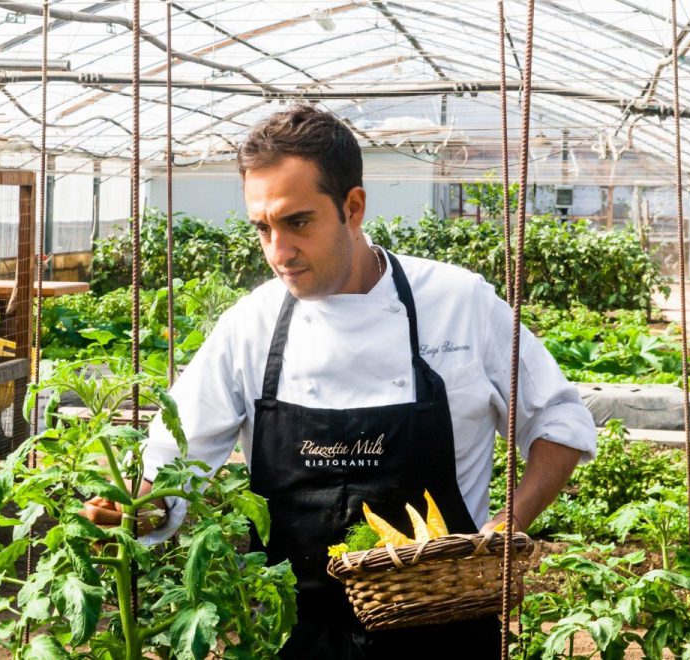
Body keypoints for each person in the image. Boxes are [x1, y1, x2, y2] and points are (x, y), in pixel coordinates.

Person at [86, 103, 597, 657]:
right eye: (263, 228)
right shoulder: (250, 325)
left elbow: (560, 421)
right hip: (292, 631)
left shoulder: (458, 303)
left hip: (442, 628)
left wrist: (505, 524)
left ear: (353, 207)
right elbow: (175, 459)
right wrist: (140, 506)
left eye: (297, 222)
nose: (278, 253)